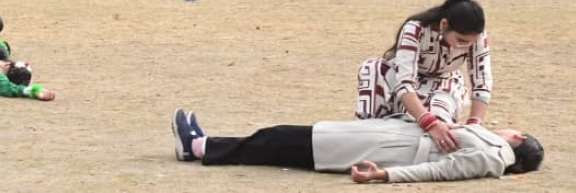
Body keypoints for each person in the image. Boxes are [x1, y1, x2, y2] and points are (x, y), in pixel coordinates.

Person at [169, 109, 543, 183]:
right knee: (279, 140)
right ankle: (205, 144)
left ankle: (199, 148)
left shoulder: (493, 155)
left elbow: (440, 170)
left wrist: (386, 176)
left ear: (520, 139)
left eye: (514, 129)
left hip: (378, 151)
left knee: (278, 139)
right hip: (380, 137)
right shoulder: (489, 145)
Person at [355, 0, 492, 149]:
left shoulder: (477, 36)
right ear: (444, 25)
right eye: (461, 41)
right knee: (372, 68)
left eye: (470, 43)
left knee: (441, 130)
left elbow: (482, 82)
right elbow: (404, 83)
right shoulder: (415, 29)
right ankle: (370, 134)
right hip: (402, 82)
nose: (466, 46)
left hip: (445, 82)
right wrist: (429, 123)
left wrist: (475, 125)